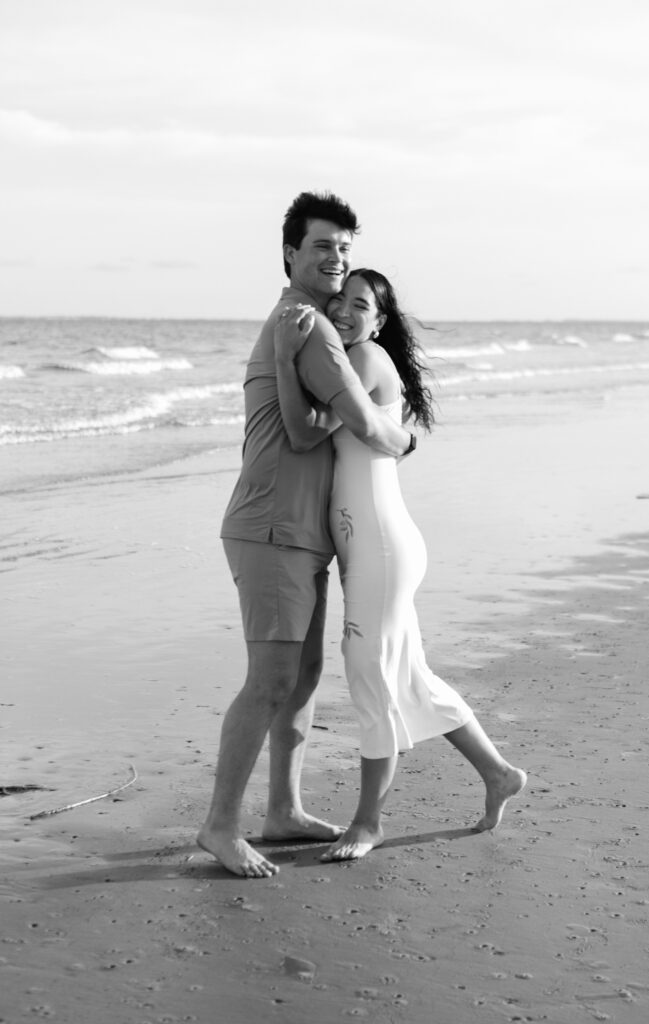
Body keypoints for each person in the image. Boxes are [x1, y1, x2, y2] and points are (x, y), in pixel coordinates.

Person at [274, 270, 527, 861]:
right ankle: (497, 773)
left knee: (369, 672)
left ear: (378, 322)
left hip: (382, 548)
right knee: (408, 676)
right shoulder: (353, 357)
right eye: (339, 299)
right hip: (377, 545)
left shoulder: (360, 359)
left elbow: (307, 433)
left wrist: (286, 361)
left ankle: (368, 822)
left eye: (359, 305)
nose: (343, 311)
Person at [198, 193, 416, 878]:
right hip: (271, 524)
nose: (336, 258)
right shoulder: (309, 329)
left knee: (302, 676)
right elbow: (364, 426)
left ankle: (281, 810)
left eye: (345, 248)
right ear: (290, 252)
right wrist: (402, 435)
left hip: (299, 530)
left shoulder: (306, 324)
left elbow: (312, 424)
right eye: (323, 246)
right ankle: (220, 826)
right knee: (268, 681)